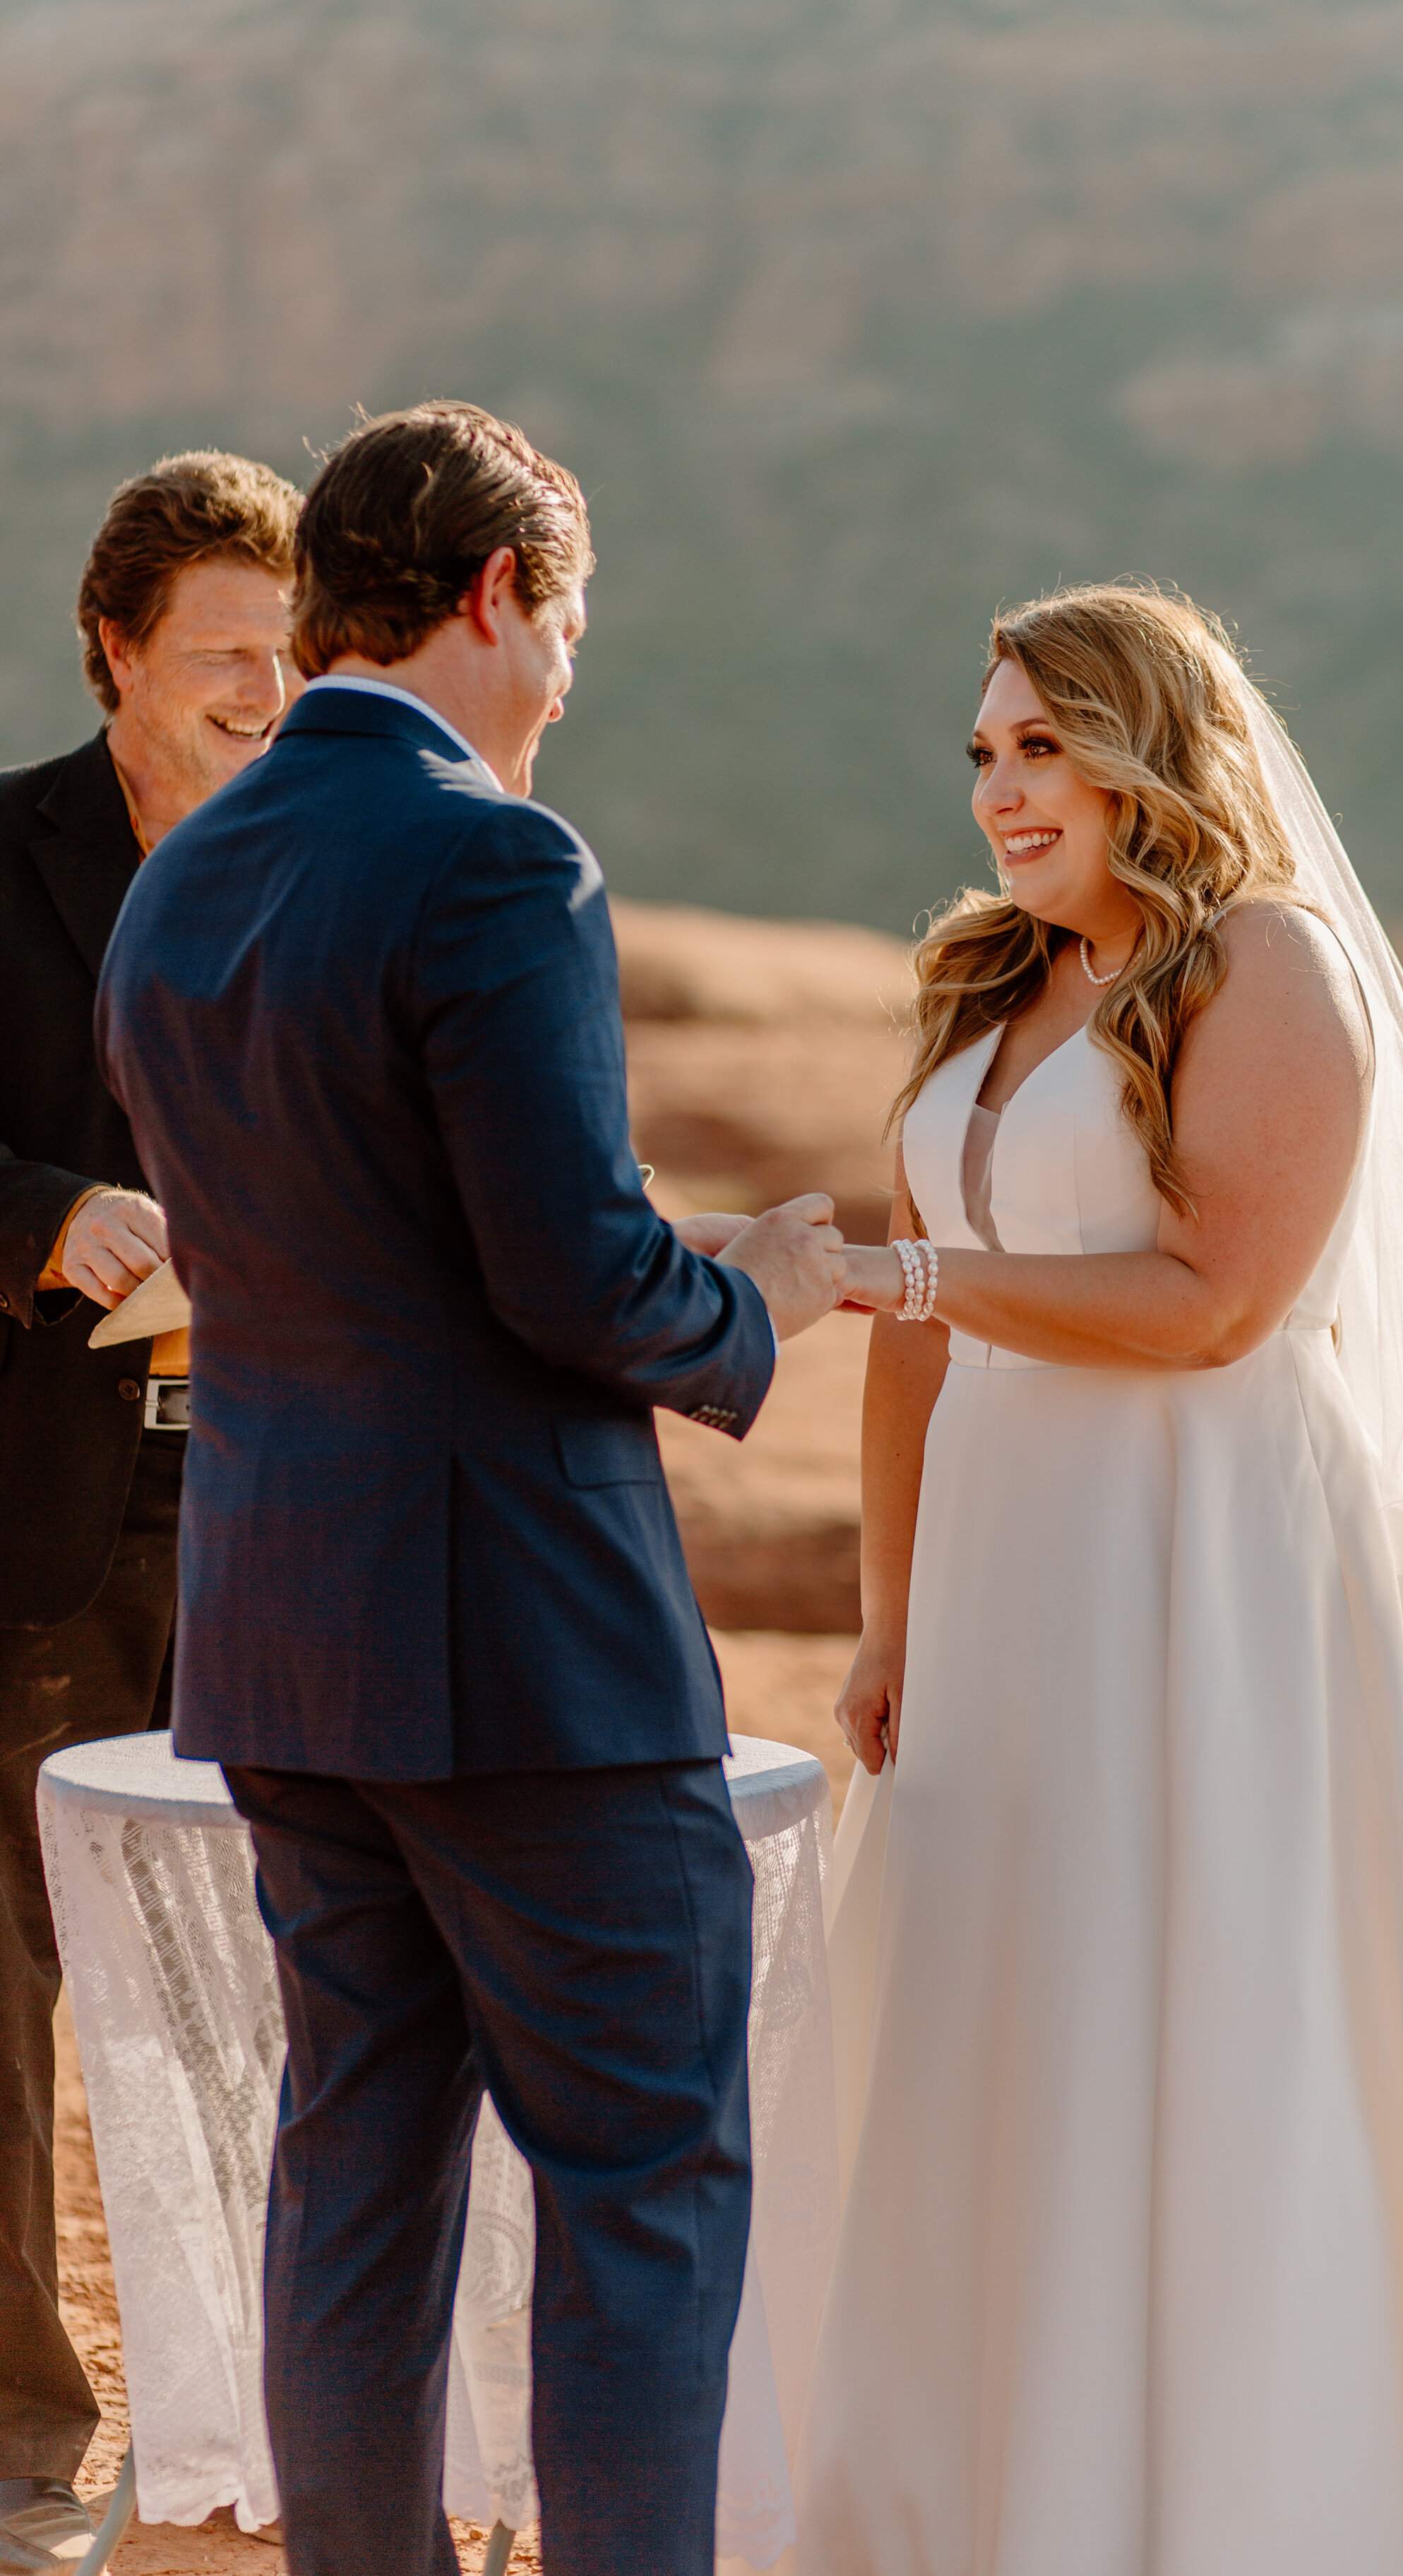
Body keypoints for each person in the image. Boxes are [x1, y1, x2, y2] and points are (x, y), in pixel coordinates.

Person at [805, 583, 1403, 2573]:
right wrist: (897, 1616)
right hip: (1008, 1589)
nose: (998, 788)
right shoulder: (993, 986)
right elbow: (916, 1357)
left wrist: (891, 1267)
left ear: (1145, 746)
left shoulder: (1268, 967)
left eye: (1041, 744)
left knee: (1247, 2002)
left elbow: (1211, 1304)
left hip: (1222, 1584)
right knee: (1026, 2003)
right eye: (982, 750)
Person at [96, 402, 846, 2576]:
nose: (560, 676)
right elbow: (572, 1280)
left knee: (355, 2169)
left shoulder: (184, 878)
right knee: (640, 2178)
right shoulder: (496, 854)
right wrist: (765, 1296)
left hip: (280, 1624)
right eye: (569, 623)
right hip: (524, 1647)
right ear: (502, 592)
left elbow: (298, 1248)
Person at [0, 453, 301, 2572]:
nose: (261, 698)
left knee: (282, 1969)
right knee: (7, 1986)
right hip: (43, 1508)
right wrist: (49, 1216)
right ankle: (28, 2428)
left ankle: (265, 2414)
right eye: (220, 661)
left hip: (300, 1496)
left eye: (292, 660)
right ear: (111, 647)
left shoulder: (338, 859)